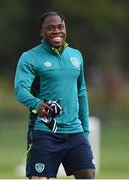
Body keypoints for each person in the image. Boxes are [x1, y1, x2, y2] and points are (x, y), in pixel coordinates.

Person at [14, 11, 95, 179]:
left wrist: (85, 131)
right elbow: (20, 89)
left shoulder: (76, 55)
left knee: (88, 174)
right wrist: (36, 104)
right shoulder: (30, 57)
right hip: (45, 131)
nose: (56, 31)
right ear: (41, 32)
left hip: (75, 131)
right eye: (50, 28)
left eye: (60, 27)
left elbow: (81, 93)